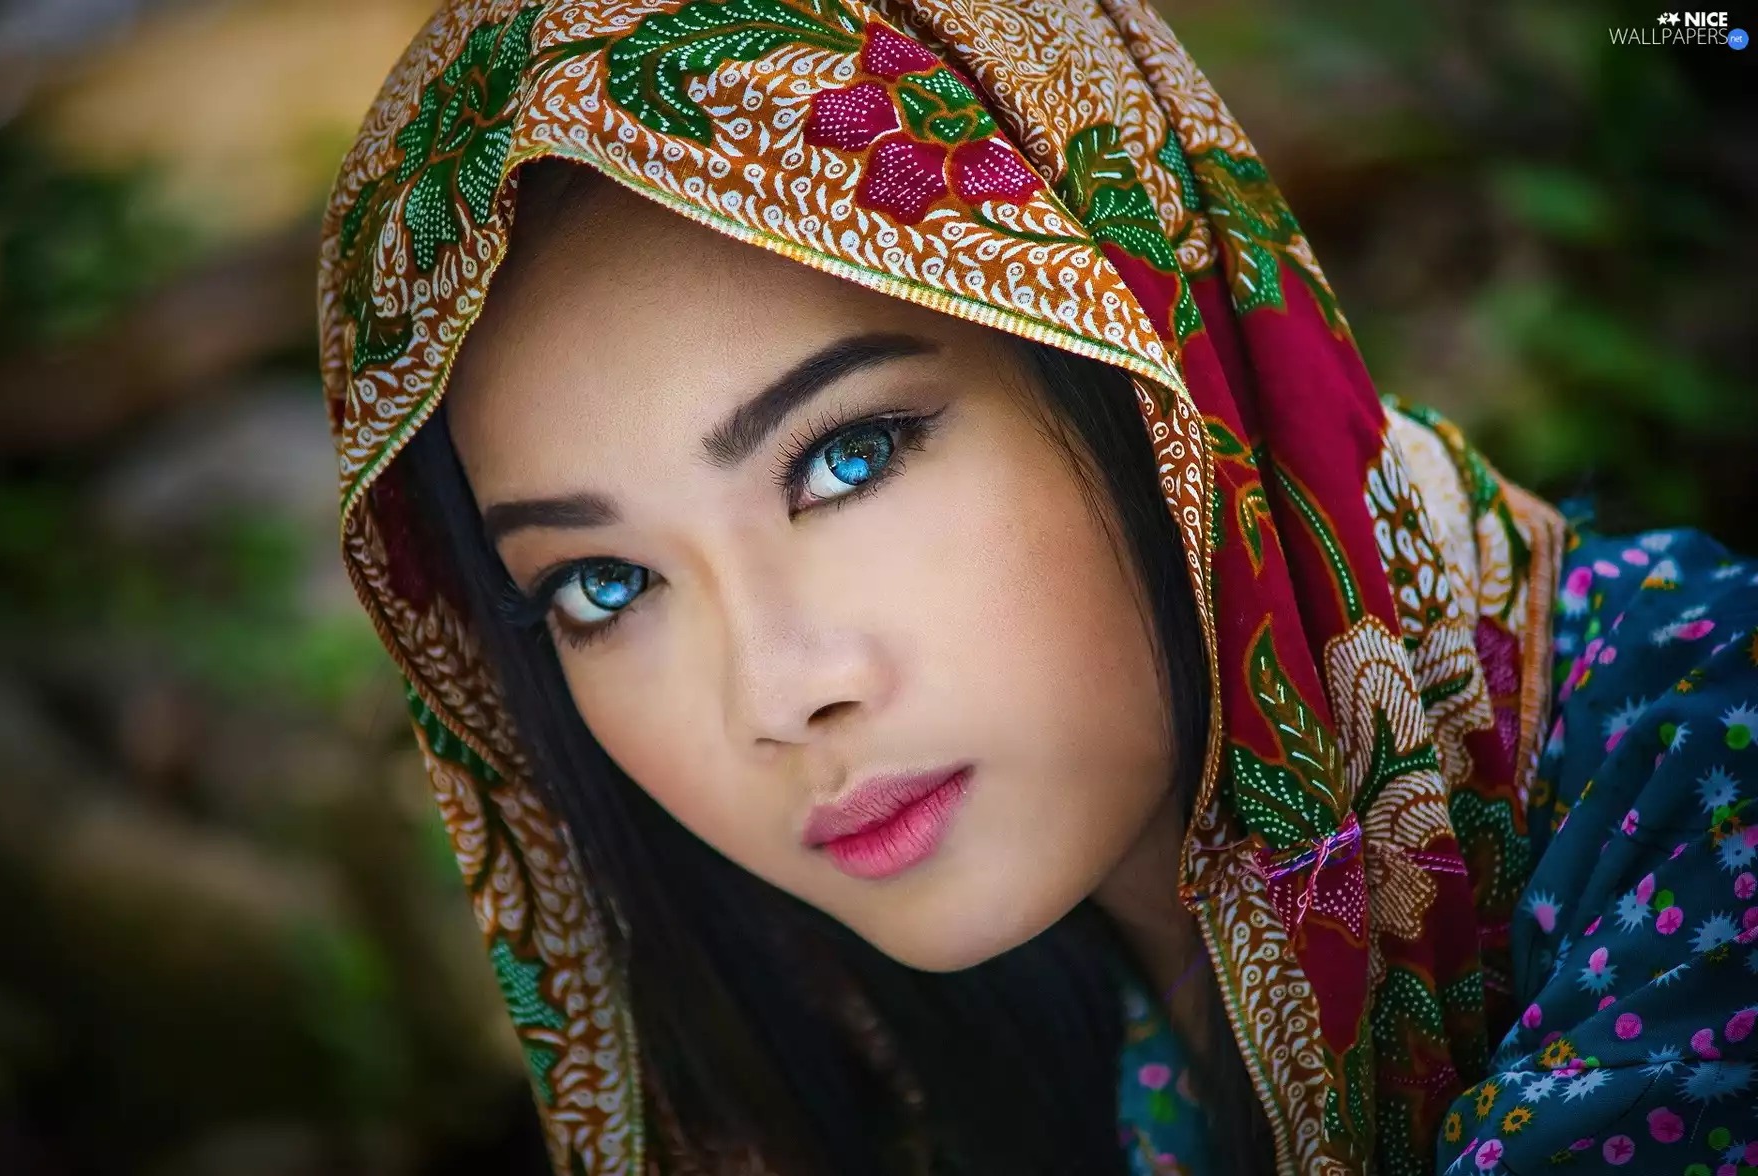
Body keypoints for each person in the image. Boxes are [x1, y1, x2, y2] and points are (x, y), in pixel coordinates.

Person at [315, 2, 1758, 1173]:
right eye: (607, 584)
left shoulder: (1708, 769)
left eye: (851, 457)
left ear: (1154, 381)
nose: (776, 692)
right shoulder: (896, 1054)